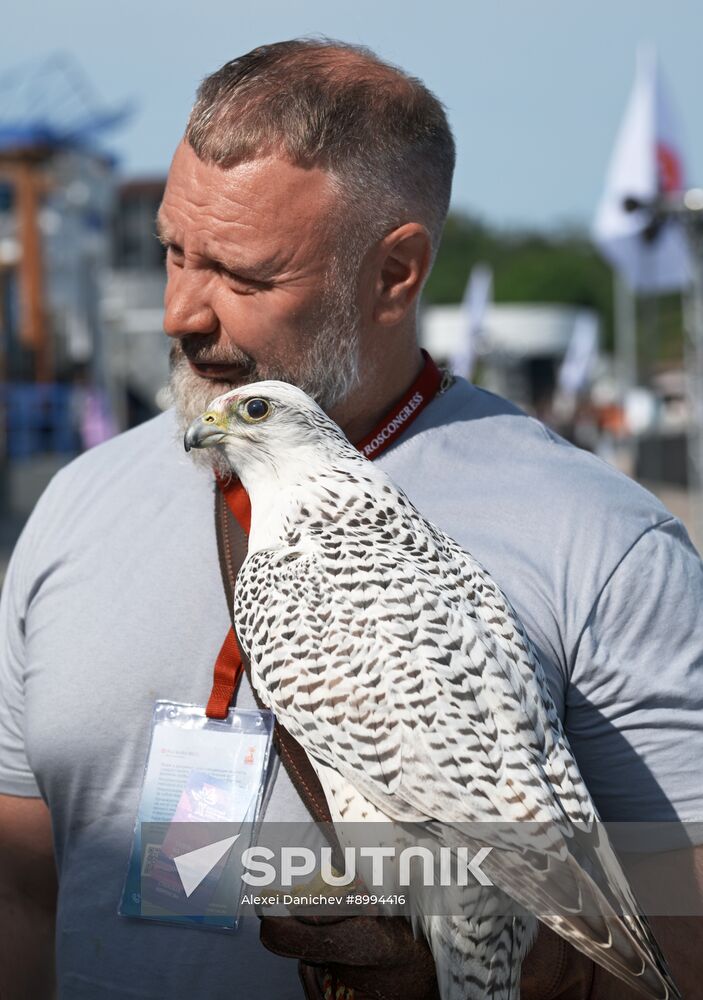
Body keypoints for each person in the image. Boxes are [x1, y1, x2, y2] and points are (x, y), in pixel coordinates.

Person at [1, 38, 701, 1000]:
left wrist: (524, 973)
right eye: (172, 251)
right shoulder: (76, 505)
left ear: (395, 272)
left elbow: (684, 931)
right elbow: (19, 890)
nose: (179, 311)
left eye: (242, 277)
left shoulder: (602, 540)